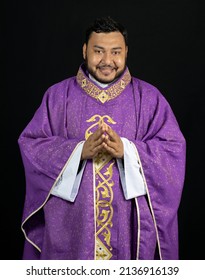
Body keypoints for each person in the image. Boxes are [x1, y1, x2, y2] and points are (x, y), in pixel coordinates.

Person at [18, 16, 186, 260]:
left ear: (126, 52)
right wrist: (78, 152)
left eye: (116, 52)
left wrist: (128, 151)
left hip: (129, 228)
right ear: (85, 51)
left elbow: (173, 151)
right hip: (71, 229)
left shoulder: (149, 99)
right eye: (98, 51)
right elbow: (31, 145)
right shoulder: (57, 97)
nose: (108, 61)